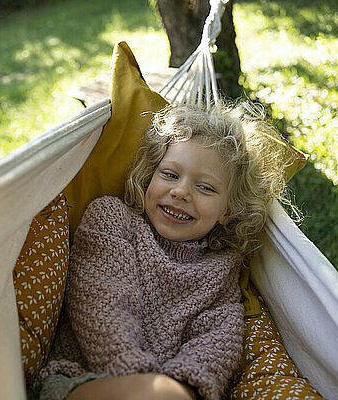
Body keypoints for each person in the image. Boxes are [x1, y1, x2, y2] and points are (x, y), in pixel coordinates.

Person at [30, 102, 291, 400]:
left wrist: (181, 388)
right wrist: (142, 381)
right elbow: (102, 303)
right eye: (169, 174)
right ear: (149, 175)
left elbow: (216, 343)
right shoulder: (112, 220)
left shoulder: (220, 272)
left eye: (205, 188)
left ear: (228, 211)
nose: (180, 192)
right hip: (80, 378)